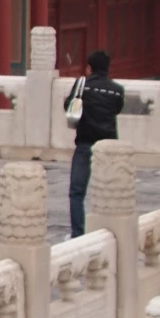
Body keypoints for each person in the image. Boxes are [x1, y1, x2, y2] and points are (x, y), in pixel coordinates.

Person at [64, 48, 126, 237]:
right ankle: (110, 232)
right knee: (110, 192)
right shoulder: (117, 91)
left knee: (77, 191)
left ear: (89, 68)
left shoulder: (82, 86)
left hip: (85, 143)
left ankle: (78, 233)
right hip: (109, 147)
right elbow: (116, 110)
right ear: (108, 68)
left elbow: (68, 106)